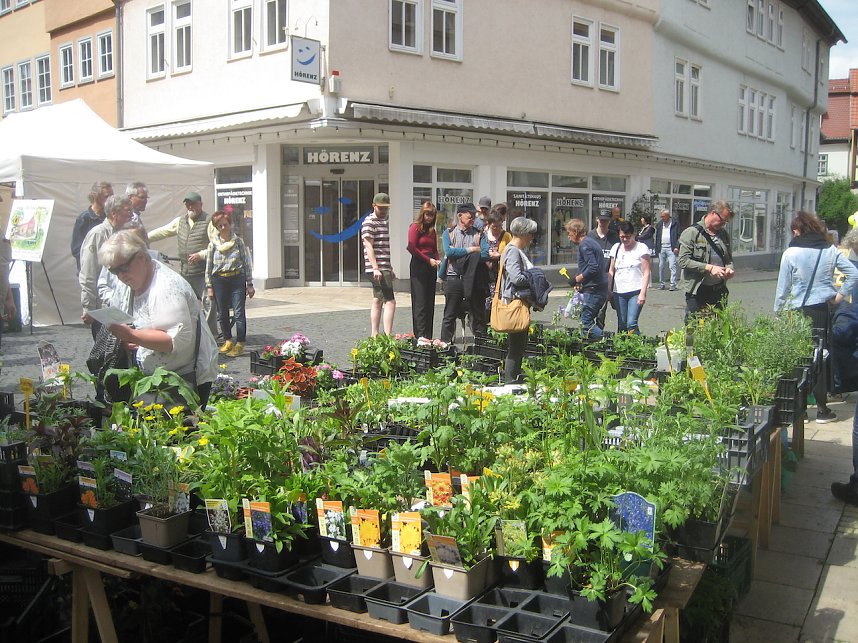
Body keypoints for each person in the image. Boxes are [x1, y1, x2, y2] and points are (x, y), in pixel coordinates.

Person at [98, 230, 218, 408]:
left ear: (141, 257)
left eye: (123, 268)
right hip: (152, 380)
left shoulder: (167, 287)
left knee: (178, 432)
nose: (120, 276)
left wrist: (132, 335)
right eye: (114, 271)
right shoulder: (129, 282)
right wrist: (129, 338)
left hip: (180, 380)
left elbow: (175, 341)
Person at [774, 211, 858, 424]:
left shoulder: (791, 253)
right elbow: (854, 274)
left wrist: (778, 314)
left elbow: (782, 289)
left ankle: (798, 409)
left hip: (796, 311)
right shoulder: (830, 250)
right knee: (820, 358)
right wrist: (838, 297)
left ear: (797, 230)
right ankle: (822, 410)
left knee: (798, 359)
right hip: (821, 310)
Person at [148, 191, 217, 337]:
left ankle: (211, 335)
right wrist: (143, 237)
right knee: (181, 303)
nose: (190, 207)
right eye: (188, 204)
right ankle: (189, 334)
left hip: (203, 272)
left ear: (200, 204)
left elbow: (215, 245)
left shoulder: (209, 221)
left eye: (193, 204)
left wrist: (201, 254)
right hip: (185, 271)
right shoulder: (180, 221)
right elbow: (163, 231)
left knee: (209, 303)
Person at [79, 195, 133, 339]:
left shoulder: (124, 233)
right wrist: (89, 308)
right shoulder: (98, 234)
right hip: (103, 309)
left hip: (121, 306)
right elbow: (88, 273)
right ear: (114, 213)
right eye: (127, 211)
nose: (131, 215)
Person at [206, 210, 255, 357]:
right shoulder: (212, 244)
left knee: (239, 313)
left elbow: (246, 263)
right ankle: (227, 340)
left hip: (236, 279)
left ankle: (240, 343)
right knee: (222, 313)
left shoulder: (238, 242)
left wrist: (250, 284)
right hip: (219, 280)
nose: (223, 227)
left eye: (225, 224)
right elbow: (209, 266)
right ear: (216, 227)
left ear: (230, 224)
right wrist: (209, 286)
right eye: (219, 225)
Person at [439, 203, 489, 343]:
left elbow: (485, 253)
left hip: (473, 280)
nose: (473, 219)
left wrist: (459, 253)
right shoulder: (448, 233)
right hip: (454, 278)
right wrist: (472, 250)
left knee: (478, 315)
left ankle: (482, 347)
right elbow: (449, 252)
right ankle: (446, 346)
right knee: (449, 315)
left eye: (474, 217)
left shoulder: (479, 233)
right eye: (470, 217)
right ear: (460, 215)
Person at [678, 201, 735, 320]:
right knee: (694, 326)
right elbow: (683, 261)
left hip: (718, 290)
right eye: (723, 220)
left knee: (718, 327)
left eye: (726, 222)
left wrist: (730, 268)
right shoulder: (692, 233)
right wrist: (709, 267)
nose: (724, 224)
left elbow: (728, 259)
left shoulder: (723, 234)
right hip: (697, 290)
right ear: (713, 213)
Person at [498, 216, 537, 382]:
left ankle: (512, 379)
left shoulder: (511, 249)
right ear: (524, 234)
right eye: (531, 234)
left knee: (517, 345)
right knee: (516, 346)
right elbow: (516, 278)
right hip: (515, 303)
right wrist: (534, 277)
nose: (532, 238)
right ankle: (510, 381)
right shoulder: (513, 250)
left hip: (515, 301)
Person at [361, 192, 396, 336]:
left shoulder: (383, 222)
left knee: (377, 300)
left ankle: (374, 335)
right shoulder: (369, 222)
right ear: (374, 206)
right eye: (380, 208)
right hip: (377, 268)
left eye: (386, 208)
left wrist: (390, 268)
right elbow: (369, 246)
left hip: (382, 267)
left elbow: (383, 248)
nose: (383, 211)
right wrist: (376, 268)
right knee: (390, 302)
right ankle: (387, 336)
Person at [565, 218, 607, 338]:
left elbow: (593, 267)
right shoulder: (591, 242)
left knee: (586, 323)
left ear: (575, 231)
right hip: (596, 287)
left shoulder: (585, 245)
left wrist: (576, 279)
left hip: (594, 290)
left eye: (569, 233)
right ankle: (592, 349)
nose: (568, 237)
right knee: (586, 320)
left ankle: (607, 342)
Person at [608, 221, 651, 334]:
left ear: (633, 235)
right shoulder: (616, 248)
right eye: (622, 237)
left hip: (635, 291)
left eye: (627, 237)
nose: (625, 239)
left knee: (631, 323)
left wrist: (643, 293)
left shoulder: (641, 248)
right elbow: (611, 270)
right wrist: (609, 289)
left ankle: (638, 347)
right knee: (622, 323)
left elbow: (646, 272)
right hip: (619, 291)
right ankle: (623, 348)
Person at [406, 200, 440, 341]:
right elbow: (411, 247)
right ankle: (420, 335)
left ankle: (428, 335)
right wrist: (428, 260)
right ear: (422, 214)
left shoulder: (432, 231)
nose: (429, 218)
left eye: (431, 215)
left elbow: (435, 250)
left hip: (431, 266)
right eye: (427, 214)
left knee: (429, 301)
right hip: (419, 266)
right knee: (420, 301)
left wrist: (438, 260)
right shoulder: (415, 227)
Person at [71, 181, 113, 273]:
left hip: (108, 271)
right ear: (95, 196)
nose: (111, 200)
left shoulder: (110, 217)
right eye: (107, 196)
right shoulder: (84, 219)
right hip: (90, 272)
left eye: (112, 196)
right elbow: (77, 250)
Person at [587, 213, 619, 329]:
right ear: (596, 219)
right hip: (595, 281)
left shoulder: (614, 237)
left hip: (612, 279)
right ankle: (597, 336)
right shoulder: (590, 236)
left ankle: (623, 335)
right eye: (601, 220)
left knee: (620, 310)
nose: (603, 223)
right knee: (598, 312)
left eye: (605, 220)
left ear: (609, 221)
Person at [484, 211, 512, 322]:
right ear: (489, 224)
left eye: (499, 226)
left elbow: (511, 252)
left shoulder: (506, 236)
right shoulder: (483, 235)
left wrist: (500, 256)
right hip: (485, 273)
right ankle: (485, 325)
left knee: (498, 300)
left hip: (500, 274)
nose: (497, 229)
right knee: (486, 301)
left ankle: (497, 324)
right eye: (494, 226)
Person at [655, 209, 680, 290]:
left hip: (671, 247)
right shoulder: (660, 224)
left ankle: (673, 285)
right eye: (661, 216)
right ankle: (662, 284)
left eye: (663, 216)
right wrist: (657, 247)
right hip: (662, 247)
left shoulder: (675, 223)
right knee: (661, 266)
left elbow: (679, 235)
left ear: (668, 215)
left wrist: (677, 246)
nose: (662, 218)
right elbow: (658, 236)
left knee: (672, 266)